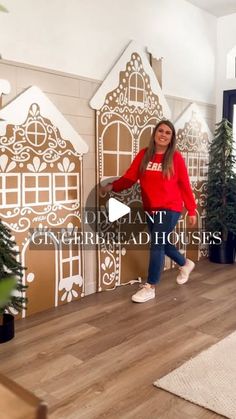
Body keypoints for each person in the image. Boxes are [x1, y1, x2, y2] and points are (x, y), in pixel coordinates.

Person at [100, 120, 197, 303]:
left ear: (171, 138)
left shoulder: (175, 158)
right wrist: (112, 186)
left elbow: (184, 184)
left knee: (156, 245)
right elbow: (129, 178)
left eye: (168, 133)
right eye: (160, 131)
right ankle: (185, 263)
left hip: (170, 207)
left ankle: (150, 287)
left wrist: (191, 209)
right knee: (160, 242)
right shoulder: (144, 155)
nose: (163, 134)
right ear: (154, 134)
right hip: (151, 208)